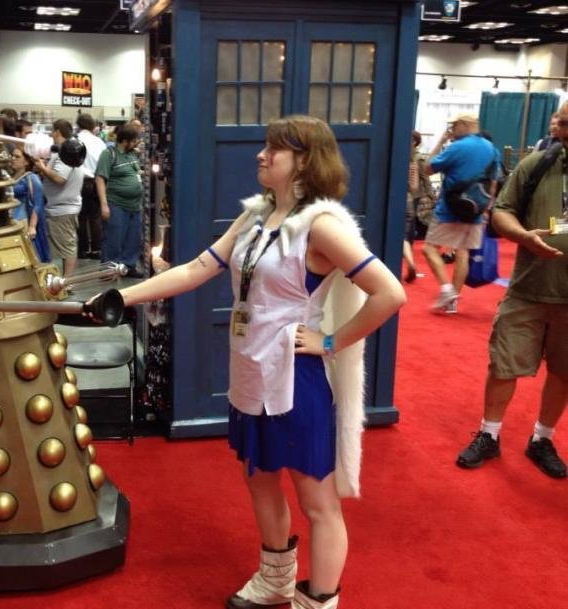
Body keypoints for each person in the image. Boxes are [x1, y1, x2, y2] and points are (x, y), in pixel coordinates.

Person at [103, 115, 406, 609]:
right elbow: (197, 268)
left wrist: (331, 342)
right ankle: (275, 581)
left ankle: (320, 601)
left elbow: (390, 293)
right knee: (260, 479)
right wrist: (124, 296)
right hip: (250, 370)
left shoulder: (322, 227)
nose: (261, 155)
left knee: (317, 500)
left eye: (275, 149)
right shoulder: (254, 217)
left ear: (304, 161)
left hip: (296, 377)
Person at [456, 103, 568, 479]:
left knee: (565, 370)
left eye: (566, 121)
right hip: (529, 288)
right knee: (504, 363)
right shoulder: (537, 164)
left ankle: (543, 438)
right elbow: (502, 212)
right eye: (559, 119)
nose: (558, 126)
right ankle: (489, 434)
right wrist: (522, 236)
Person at [422, 113, 498, 314]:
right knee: (462, 251)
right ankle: (452, 301)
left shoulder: (457, 147)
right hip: (476, 209)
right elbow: (493, 182)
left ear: (464, 125)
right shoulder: (491, 148)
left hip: (450, 208)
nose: (452, 130)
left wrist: (442, 140)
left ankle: (447, 290)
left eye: (454, 126)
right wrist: (485, 209)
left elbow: (427, 168)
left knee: (429, 248)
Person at [34, 119, 84, 275]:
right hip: (62, 207)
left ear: (57, 132)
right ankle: (65, 280)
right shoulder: (66, 151)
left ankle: (67, 282)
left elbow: (60, 179)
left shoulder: (65, 153)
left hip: (63, 209)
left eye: (52, 132)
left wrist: (42, 168)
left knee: (67, 246)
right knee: (65, 245)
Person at [96, 124, 144, 277]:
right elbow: (100, 179)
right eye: (134, 140)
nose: (136, 143)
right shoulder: (108, 154)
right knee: (113, 240)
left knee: (133, 239)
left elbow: (134, 172)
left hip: (135, 206)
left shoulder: (131, 155)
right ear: (125, 141)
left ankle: (128, 266)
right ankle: (109, 270)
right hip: (116, 204)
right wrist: (104, 205)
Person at [10, 147, 51, 263]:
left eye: (17, 157)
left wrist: (32, 226)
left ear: (26, 161)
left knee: (30, 256)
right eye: (12, 156)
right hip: (12, 220)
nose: (13, 159)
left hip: (23, 221)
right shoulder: (11, 178)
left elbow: (37, 204)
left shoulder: (32, 178)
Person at [76, 113, 107, 259]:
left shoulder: (74, 141)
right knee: (95, 217)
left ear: (78, 125)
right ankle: (96, 249)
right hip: (96, 181)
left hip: (79, 181)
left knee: (81, 217)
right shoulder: (99, 142)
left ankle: (83, 249)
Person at [403, 137, 420, 282]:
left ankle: (410, 262)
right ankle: (411, 262)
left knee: (400, 237)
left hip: (396, 201)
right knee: (406, 237)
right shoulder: (413, 163)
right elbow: (414, 187)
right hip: (409, 201)